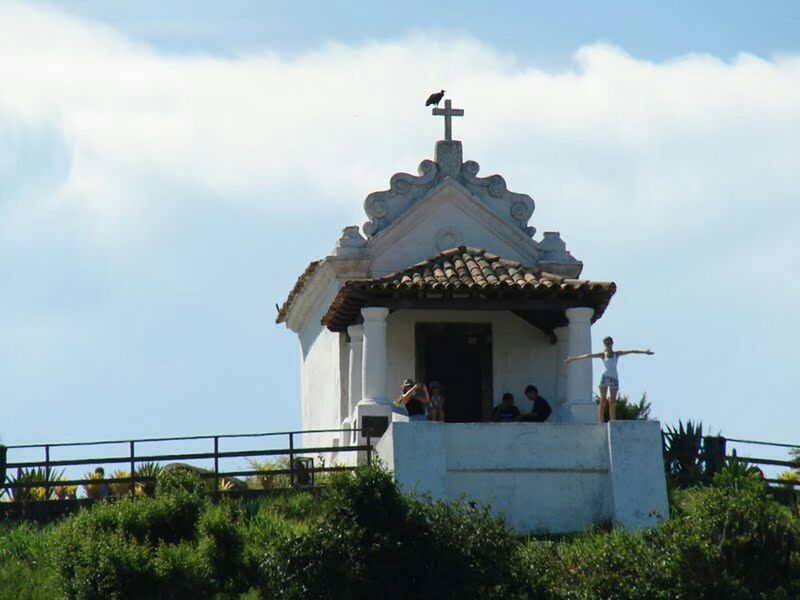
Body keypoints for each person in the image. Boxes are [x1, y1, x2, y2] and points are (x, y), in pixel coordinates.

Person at [565, 336, 654, 422]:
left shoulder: (616, 354)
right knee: (603, 400)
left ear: (612, 343)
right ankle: (601, 421)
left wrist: (645, 352)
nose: (608, 345)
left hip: (614, 378)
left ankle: (613, 420)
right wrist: (573, 359)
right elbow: (588, 356)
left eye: (609, 343)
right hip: (605, 378)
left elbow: (632, 351)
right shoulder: (603, 355)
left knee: (612, 401)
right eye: (606, 343)